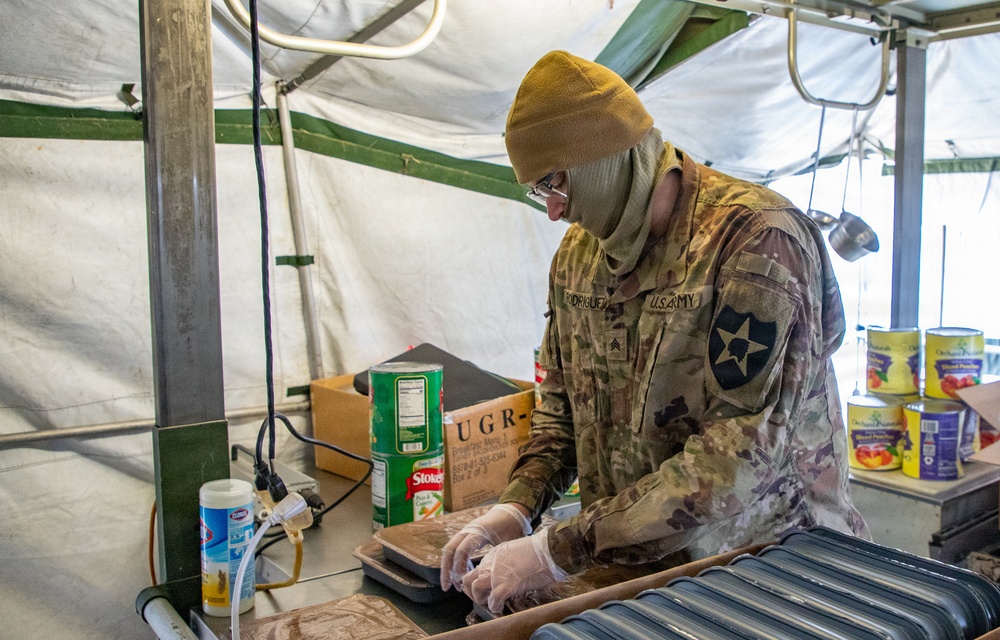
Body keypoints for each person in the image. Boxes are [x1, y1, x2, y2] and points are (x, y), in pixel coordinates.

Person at [440, 50, 869, 614]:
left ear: (603, 160)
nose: (554, 212)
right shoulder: (580, 255)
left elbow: (737, 457)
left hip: (770, 570)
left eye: (555, 184)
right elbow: (562, 411)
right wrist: (515, 510)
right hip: (639, 571)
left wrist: (557, 548)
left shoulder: (756, 241)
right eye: (540, 191)